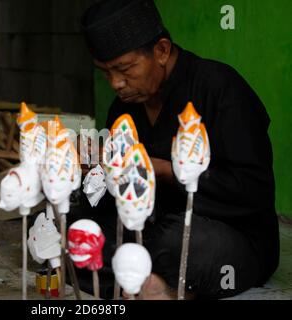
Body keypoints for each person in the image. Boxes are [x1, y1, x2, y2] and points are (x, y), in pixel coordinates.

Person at [70, 0, 280, 300]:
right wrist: (95, 173)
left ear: (162, 51)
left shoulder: (220, 87)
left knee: (182, 244)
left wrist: (159, 168)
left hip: (226, 235)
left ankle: (148, 283)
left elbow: (252, 191)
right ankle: (152, 285)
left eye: (125, 69)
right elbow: (120, 196)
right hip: (151, 227)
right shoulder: (123, 108)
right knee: (70, 230)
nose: (116, 83)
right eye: (105, 72)